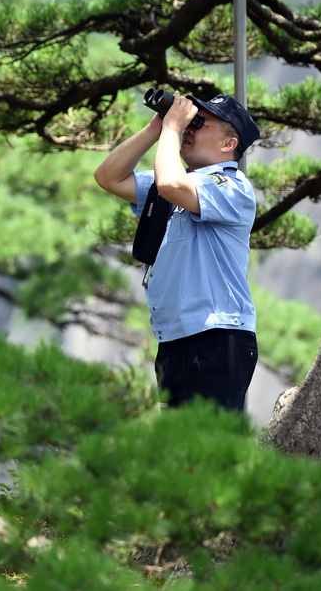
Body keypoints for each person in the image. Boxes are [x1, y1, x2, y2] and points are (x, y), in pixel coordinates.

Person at [94, 91, 260, 411]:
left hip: (215, 334)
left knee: (210, 450)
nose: (190, 128)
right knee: (183, 452)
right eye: (191, 122)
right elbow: (108, 177)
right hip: (174, 339)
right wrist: (157, 127)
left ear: (229, 144)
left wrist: (173, 130)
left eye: (201, 124)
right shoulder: (174, 184)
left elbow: (171, 184)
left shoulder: (233, 186)